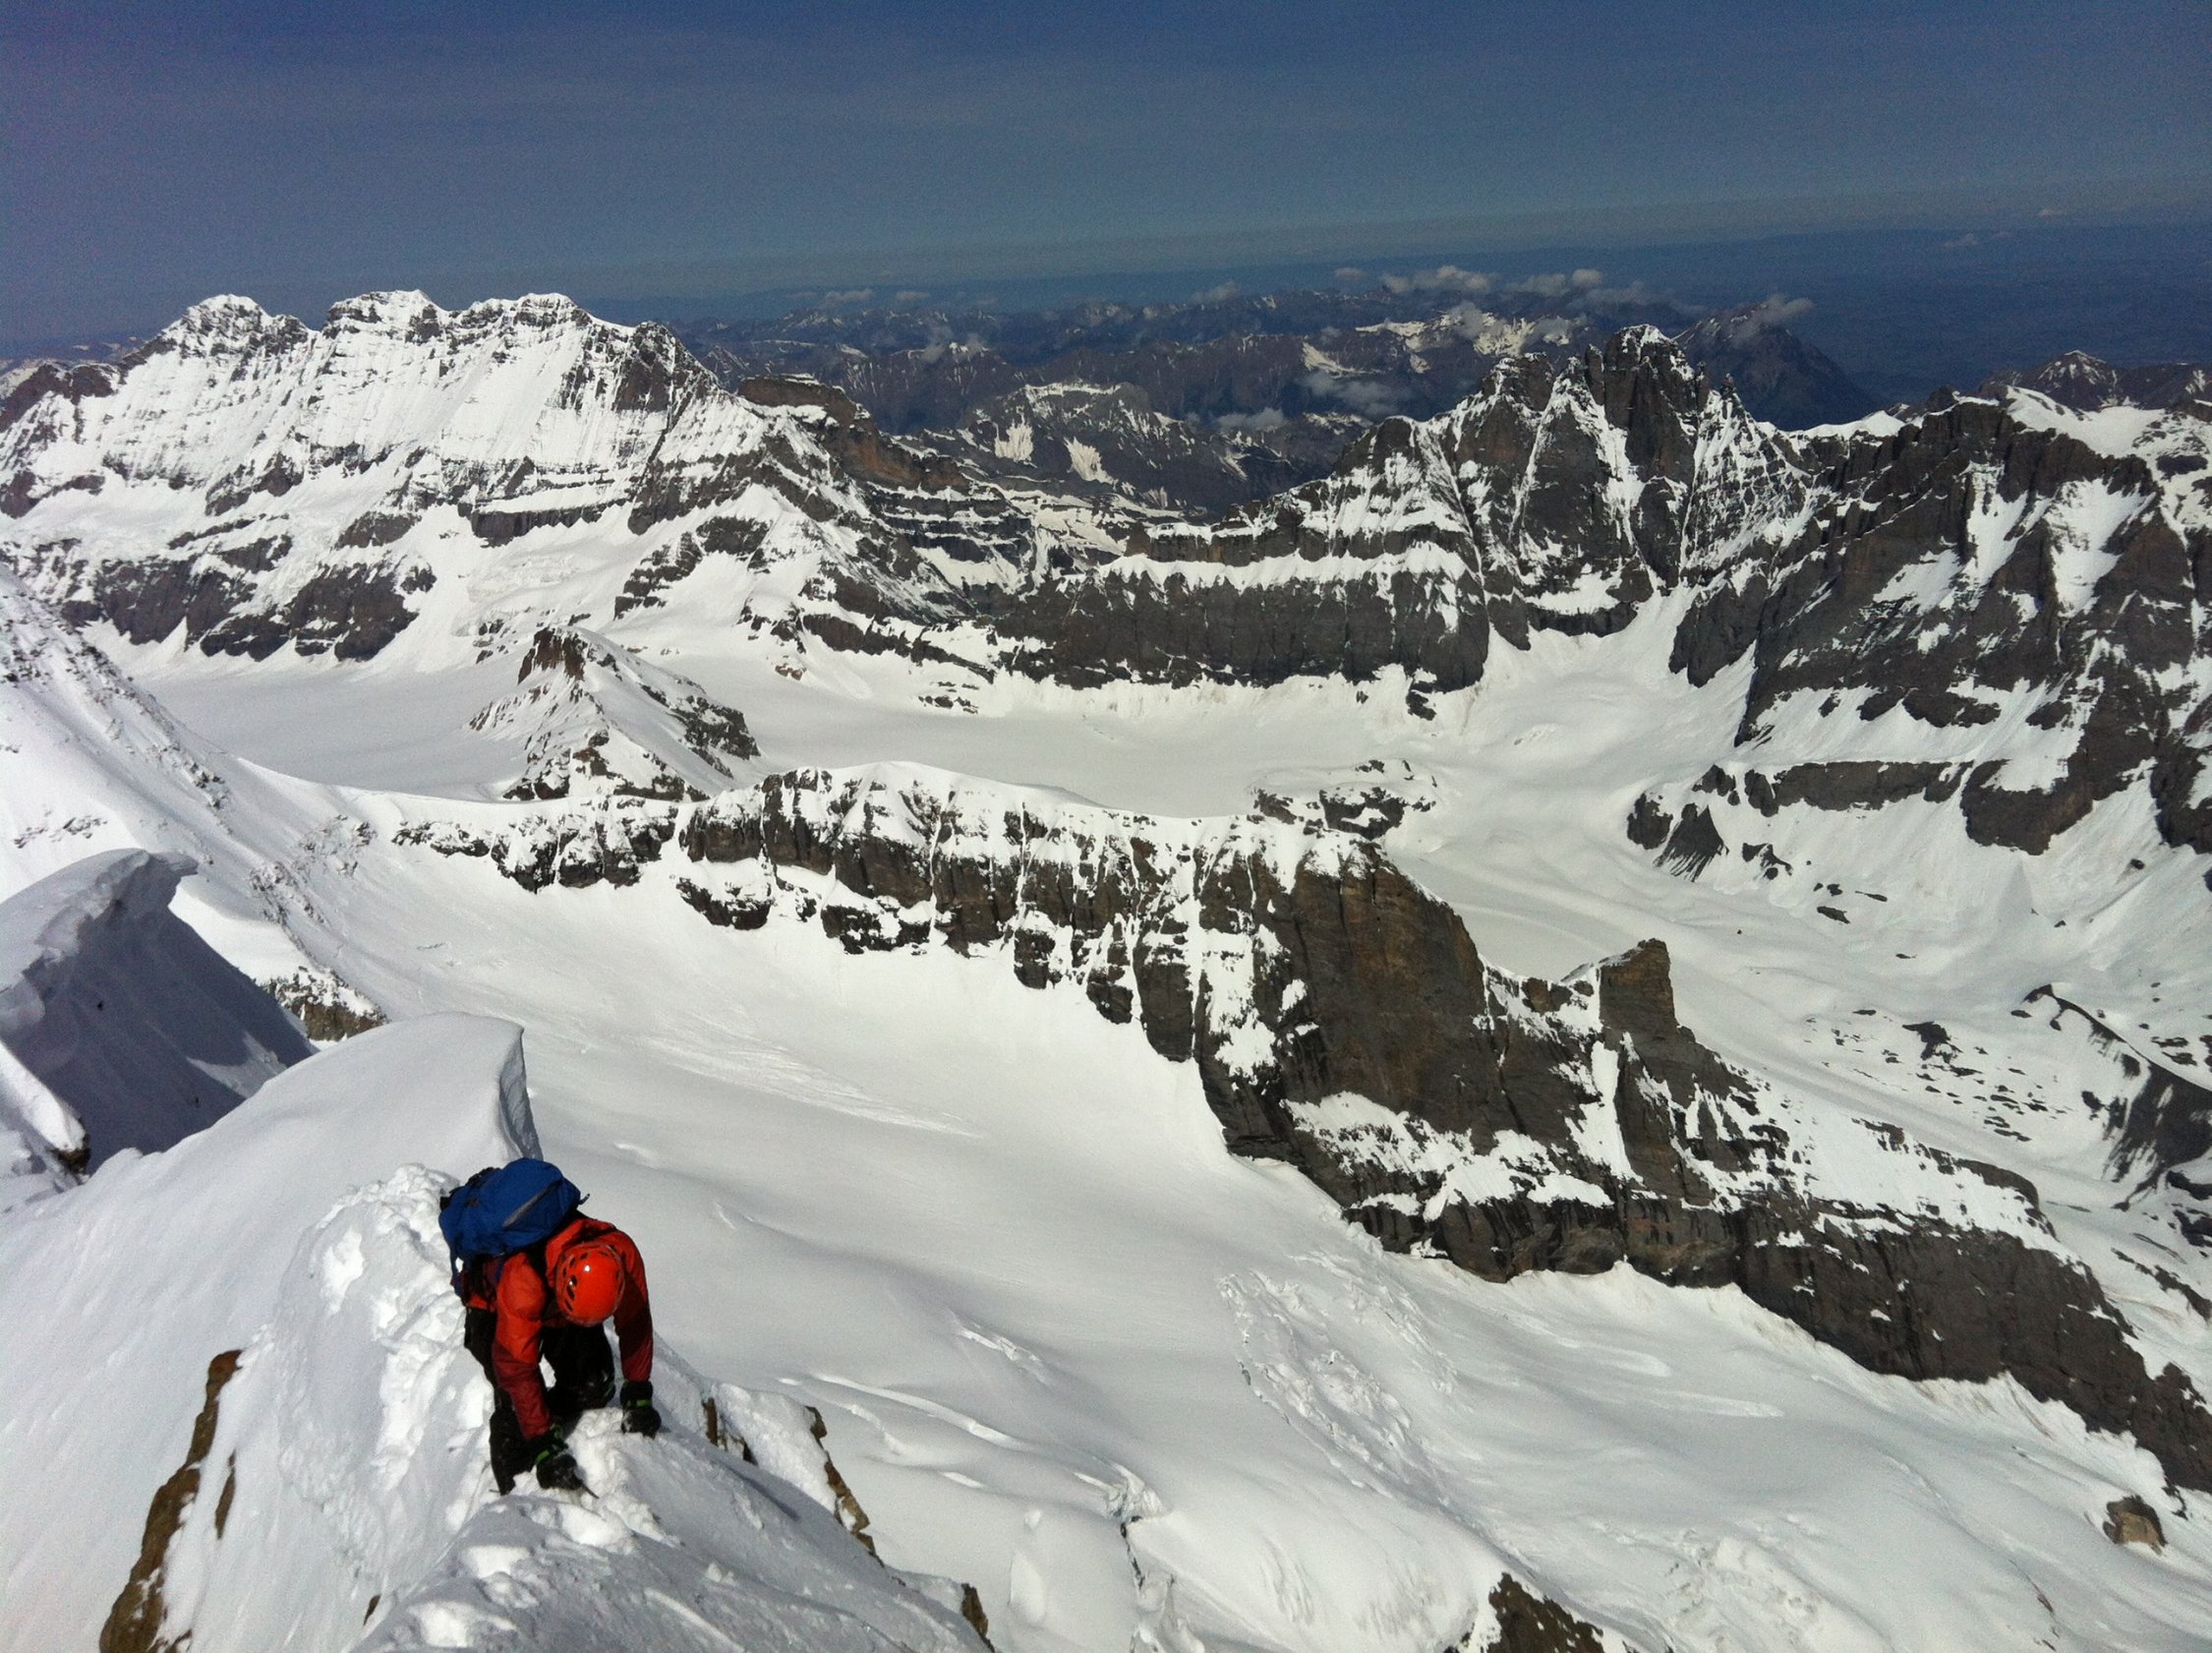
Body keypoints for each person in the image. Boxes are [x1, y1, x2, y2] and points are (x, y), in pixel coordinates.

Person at [457, 1207, 662, 1493]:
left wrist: (638, 1391)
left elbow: (635, 1322)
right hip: (492, 1307)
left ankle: (546, 1417)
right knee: (515, 1411)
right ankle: (516, 1496)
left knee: (593, 1386)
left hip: (558, 1300)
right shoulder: (522, 1276)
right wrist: (542, 1443)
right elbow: (517, 1370)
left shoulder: (622, 1252)